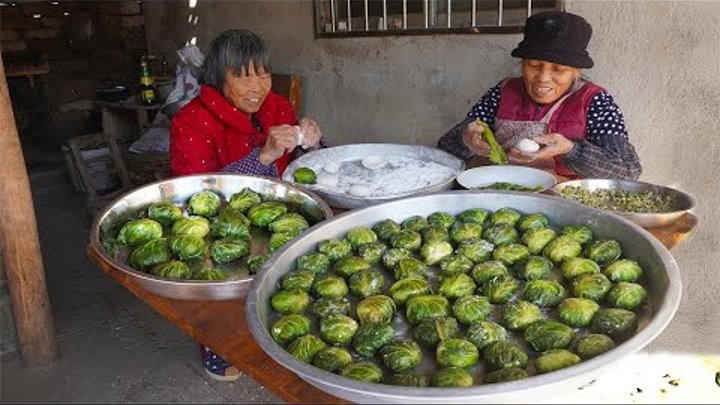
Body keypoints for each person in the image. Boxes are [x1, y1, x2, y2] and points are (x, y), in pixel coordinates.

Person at [169, 29, 324, 381]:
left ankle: (278, 328)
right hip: (219, 228)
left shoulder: (279, 107)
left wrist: (311, 141)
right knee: (221, 279)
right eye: (242, 75)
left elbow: (305, 166)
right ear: (218, 79)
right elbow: (198, 198)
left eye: (263, 73)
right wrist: (265, 156)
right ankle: (215, 342)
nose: (257, 86)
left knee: (290, 280)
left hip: (279, 215)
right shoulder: (190, 122)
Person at [438, 11, 642, 180]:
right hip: (503, 196)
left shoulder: (595, 101)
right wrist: (465, 139)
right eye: (533, 65)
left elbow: (627, 170)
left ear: (576, 71)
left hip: (566, 208)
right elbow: (444, 149)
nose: (543, 78)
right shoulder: (502, 93)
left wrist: (571, 150)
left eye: (559, 70)